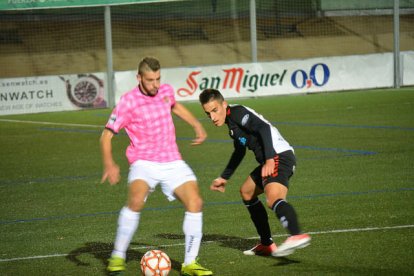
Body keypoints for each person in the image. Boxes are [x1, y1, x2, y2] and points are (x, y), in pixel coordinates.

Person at [100, 57, 213, 275]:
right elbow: (106, 136)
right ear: (139, 78)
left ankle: (190, 263)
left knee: (195, 202)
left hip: (172, 160)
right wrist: (109, 163)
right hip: (144, 161)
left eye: (158, 79)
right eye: (150, 80)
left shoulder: (165, 91)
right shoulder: (128, 102)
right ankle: (118, 255)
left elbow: (175, 106)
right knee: (135, 201)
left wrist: (196, 124)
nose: (155, 85)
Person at [199, 88, 310, 257]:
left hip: (279, 156)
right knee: (247, 192)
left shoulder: (237, 113)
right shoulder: (232, 125)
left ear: (224, 104)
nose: (213, 117)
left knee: (273, 198)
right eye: (208, 114)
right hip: (273, 157)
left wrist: (270, 158)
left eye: (215, 110)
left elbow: (264, 128)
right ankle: (266, 244)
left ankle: (296, 234)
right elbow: (239, 152)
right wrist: (224, 177)